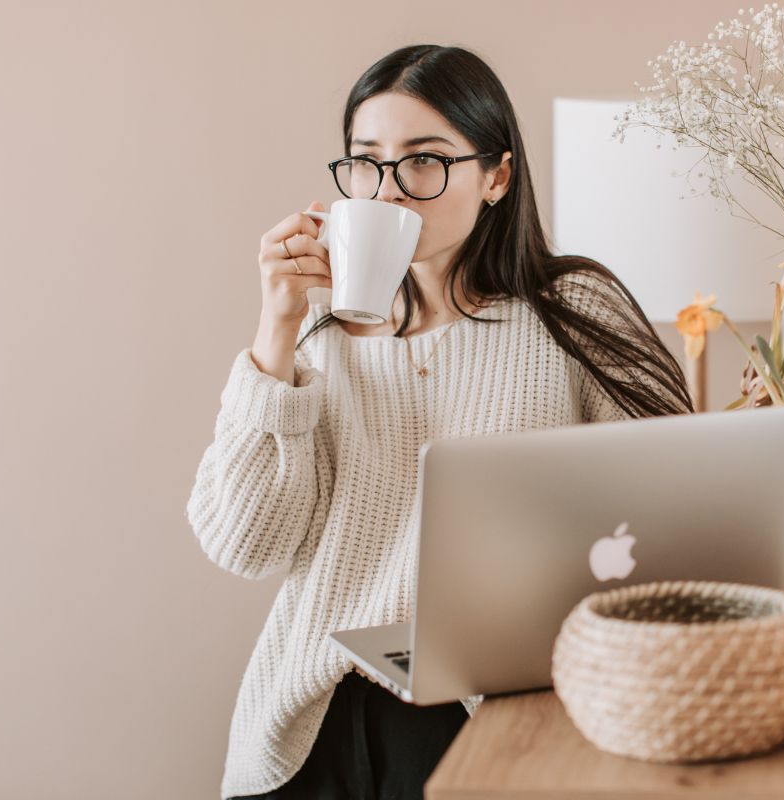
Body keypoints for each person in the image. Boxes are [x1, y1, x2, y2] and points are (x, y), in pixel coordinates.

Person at [185, 43, 693, 800]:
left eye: (424, 160)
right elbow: (245, 544)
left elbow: (679, 510)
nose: (390, 190)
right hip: (311, 719)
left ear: (497, 177)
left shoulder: (570, 311)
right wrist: (277, 330)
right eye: (367, 162)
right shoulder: (318, 342)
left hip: (485, 713)